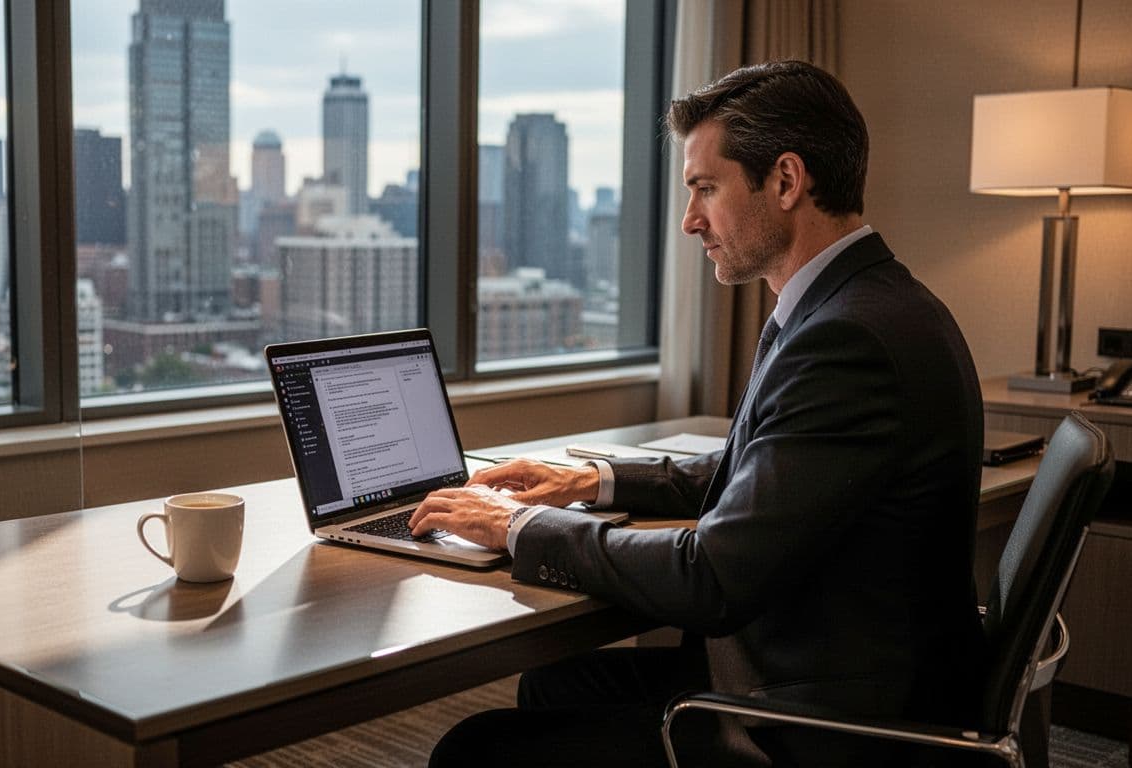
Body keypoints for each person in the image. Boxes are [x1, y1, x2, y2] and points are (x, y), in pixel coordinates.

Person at [410, 60, 985, 767]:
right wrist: (591, 482)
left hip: (821, 724)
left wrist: (519, 526)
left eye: (705, 189)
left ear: (784, 181)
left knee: (474, 750)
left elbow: (711, 578)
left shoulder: (848, 338)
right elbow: (762, 466)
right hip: (840, 670)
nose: (689, 221)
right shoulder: (870, 302)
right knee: (559, 683)